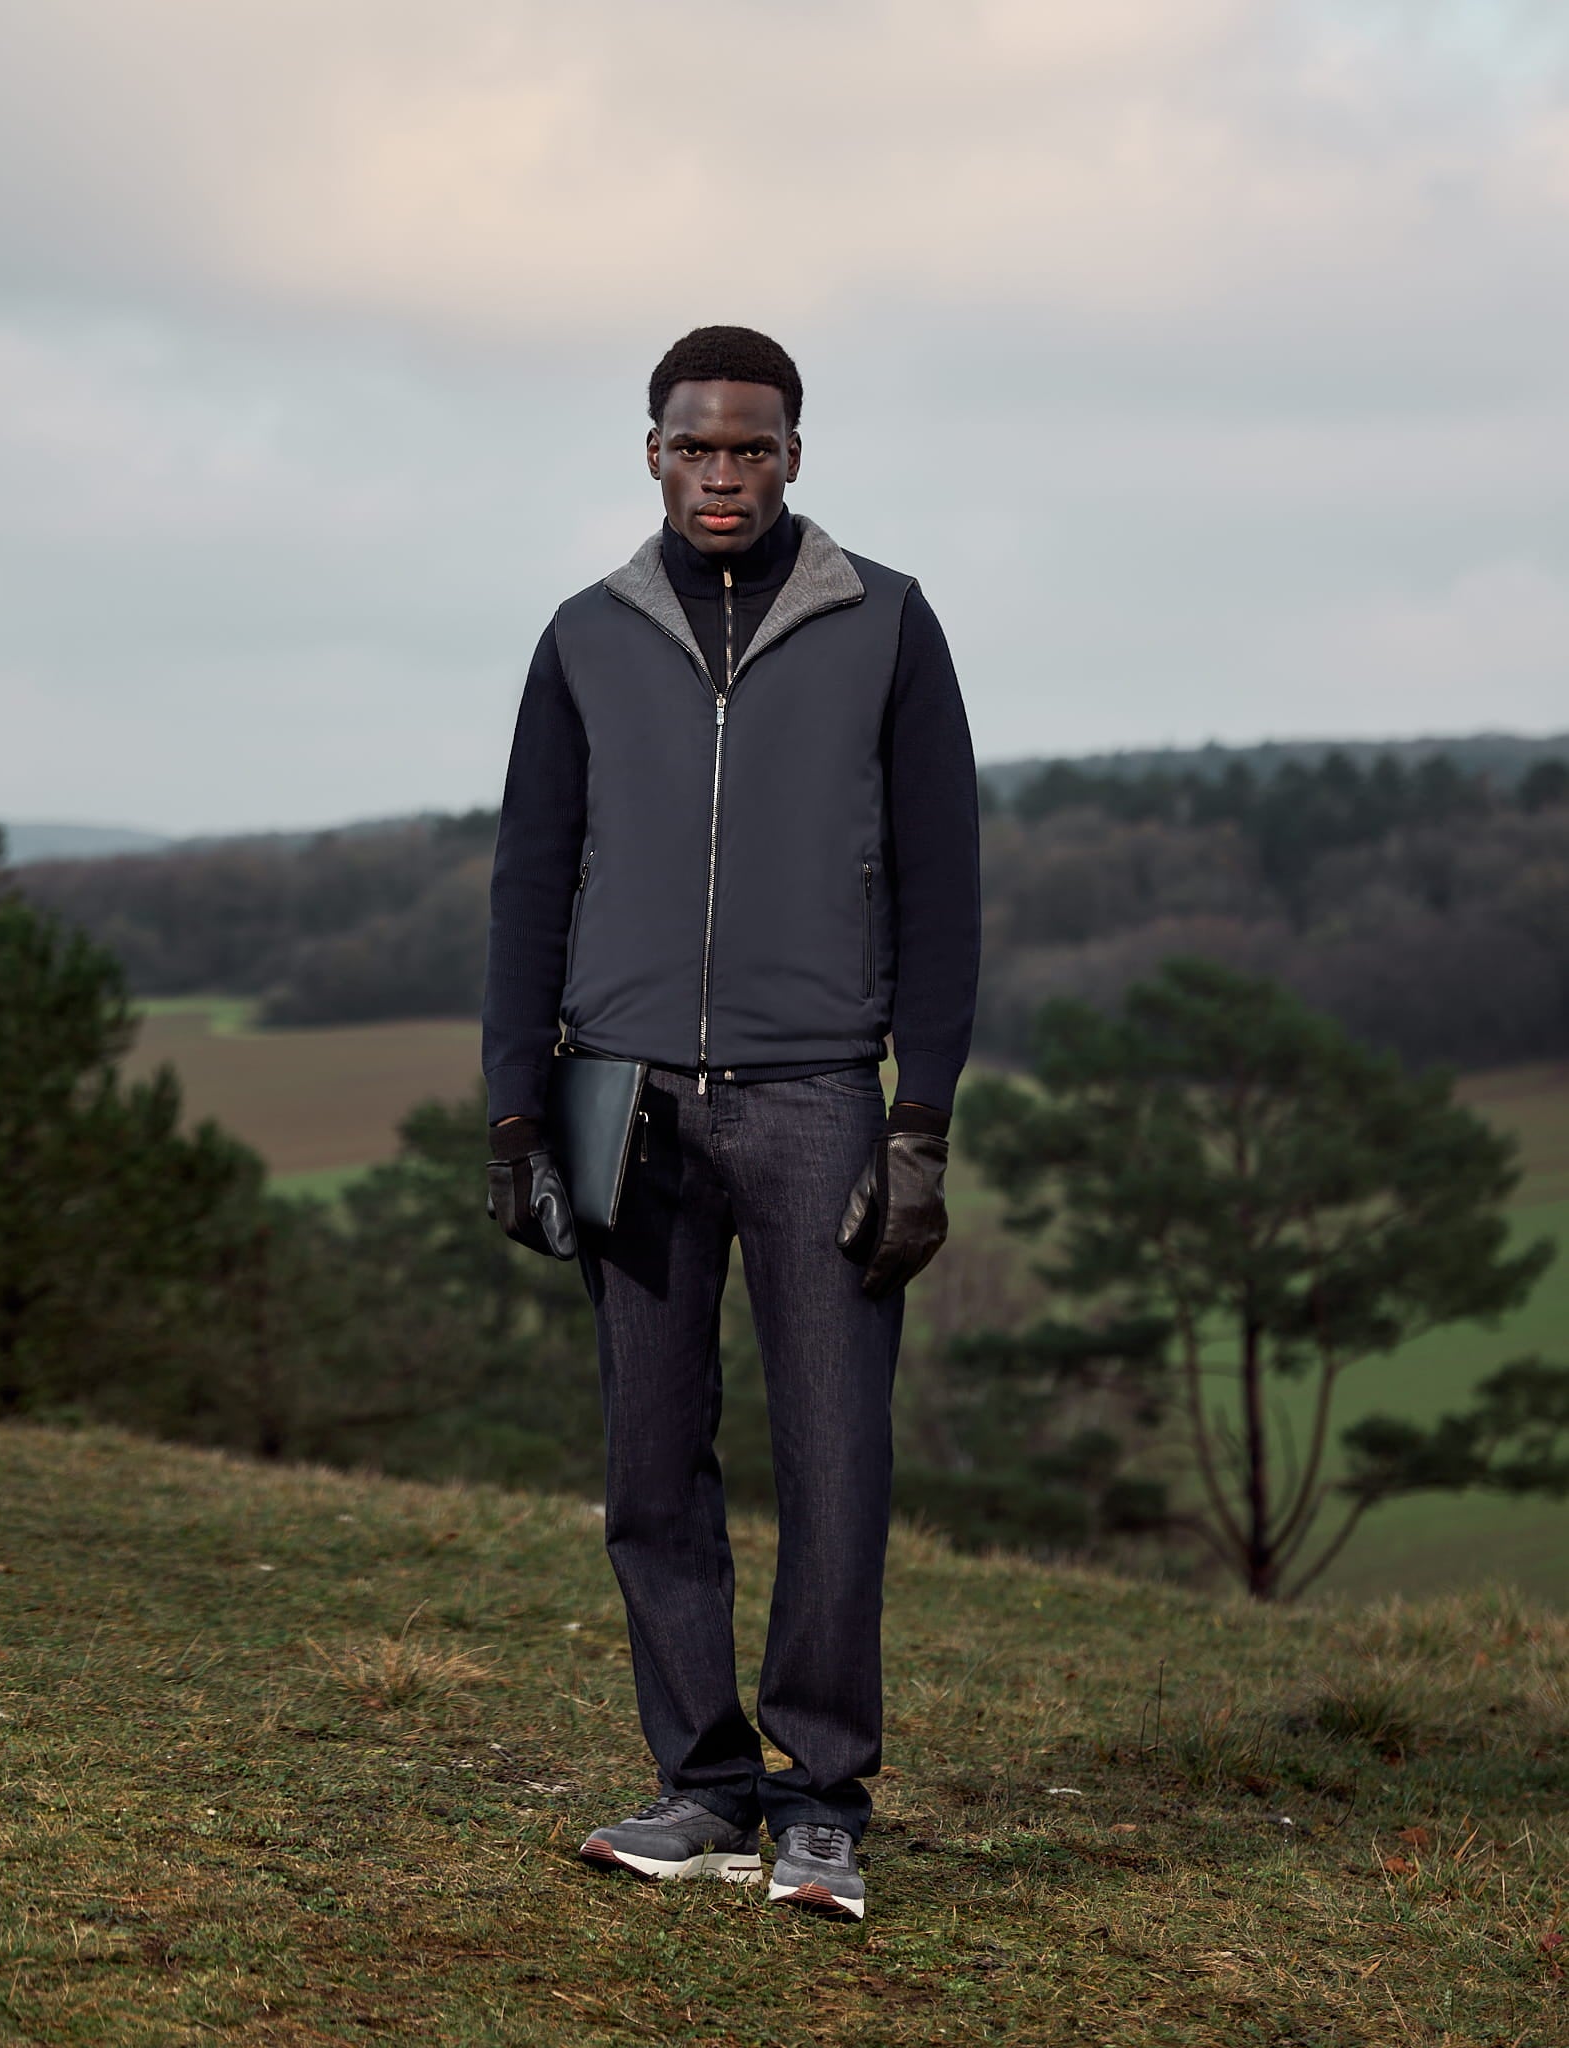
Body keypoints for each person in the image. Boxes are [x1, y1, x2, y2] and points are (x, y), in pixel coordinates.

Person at [483, 325, 980, 1920]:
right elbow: (526, 880)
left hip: (819, 1101)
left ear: (792, 456)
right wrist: (514, 1114)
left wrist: (920, 1124)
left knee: (835, 1461)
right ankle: (698, 1787)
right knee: (648, 1461)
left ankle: (821, 1797)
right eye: (693, 446)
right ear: (651, 451)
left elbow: (941, 891)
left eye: (750, 448)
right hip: (620, 1096)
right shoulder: (582, 636)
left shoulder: (885, 625)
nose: (720, 473)